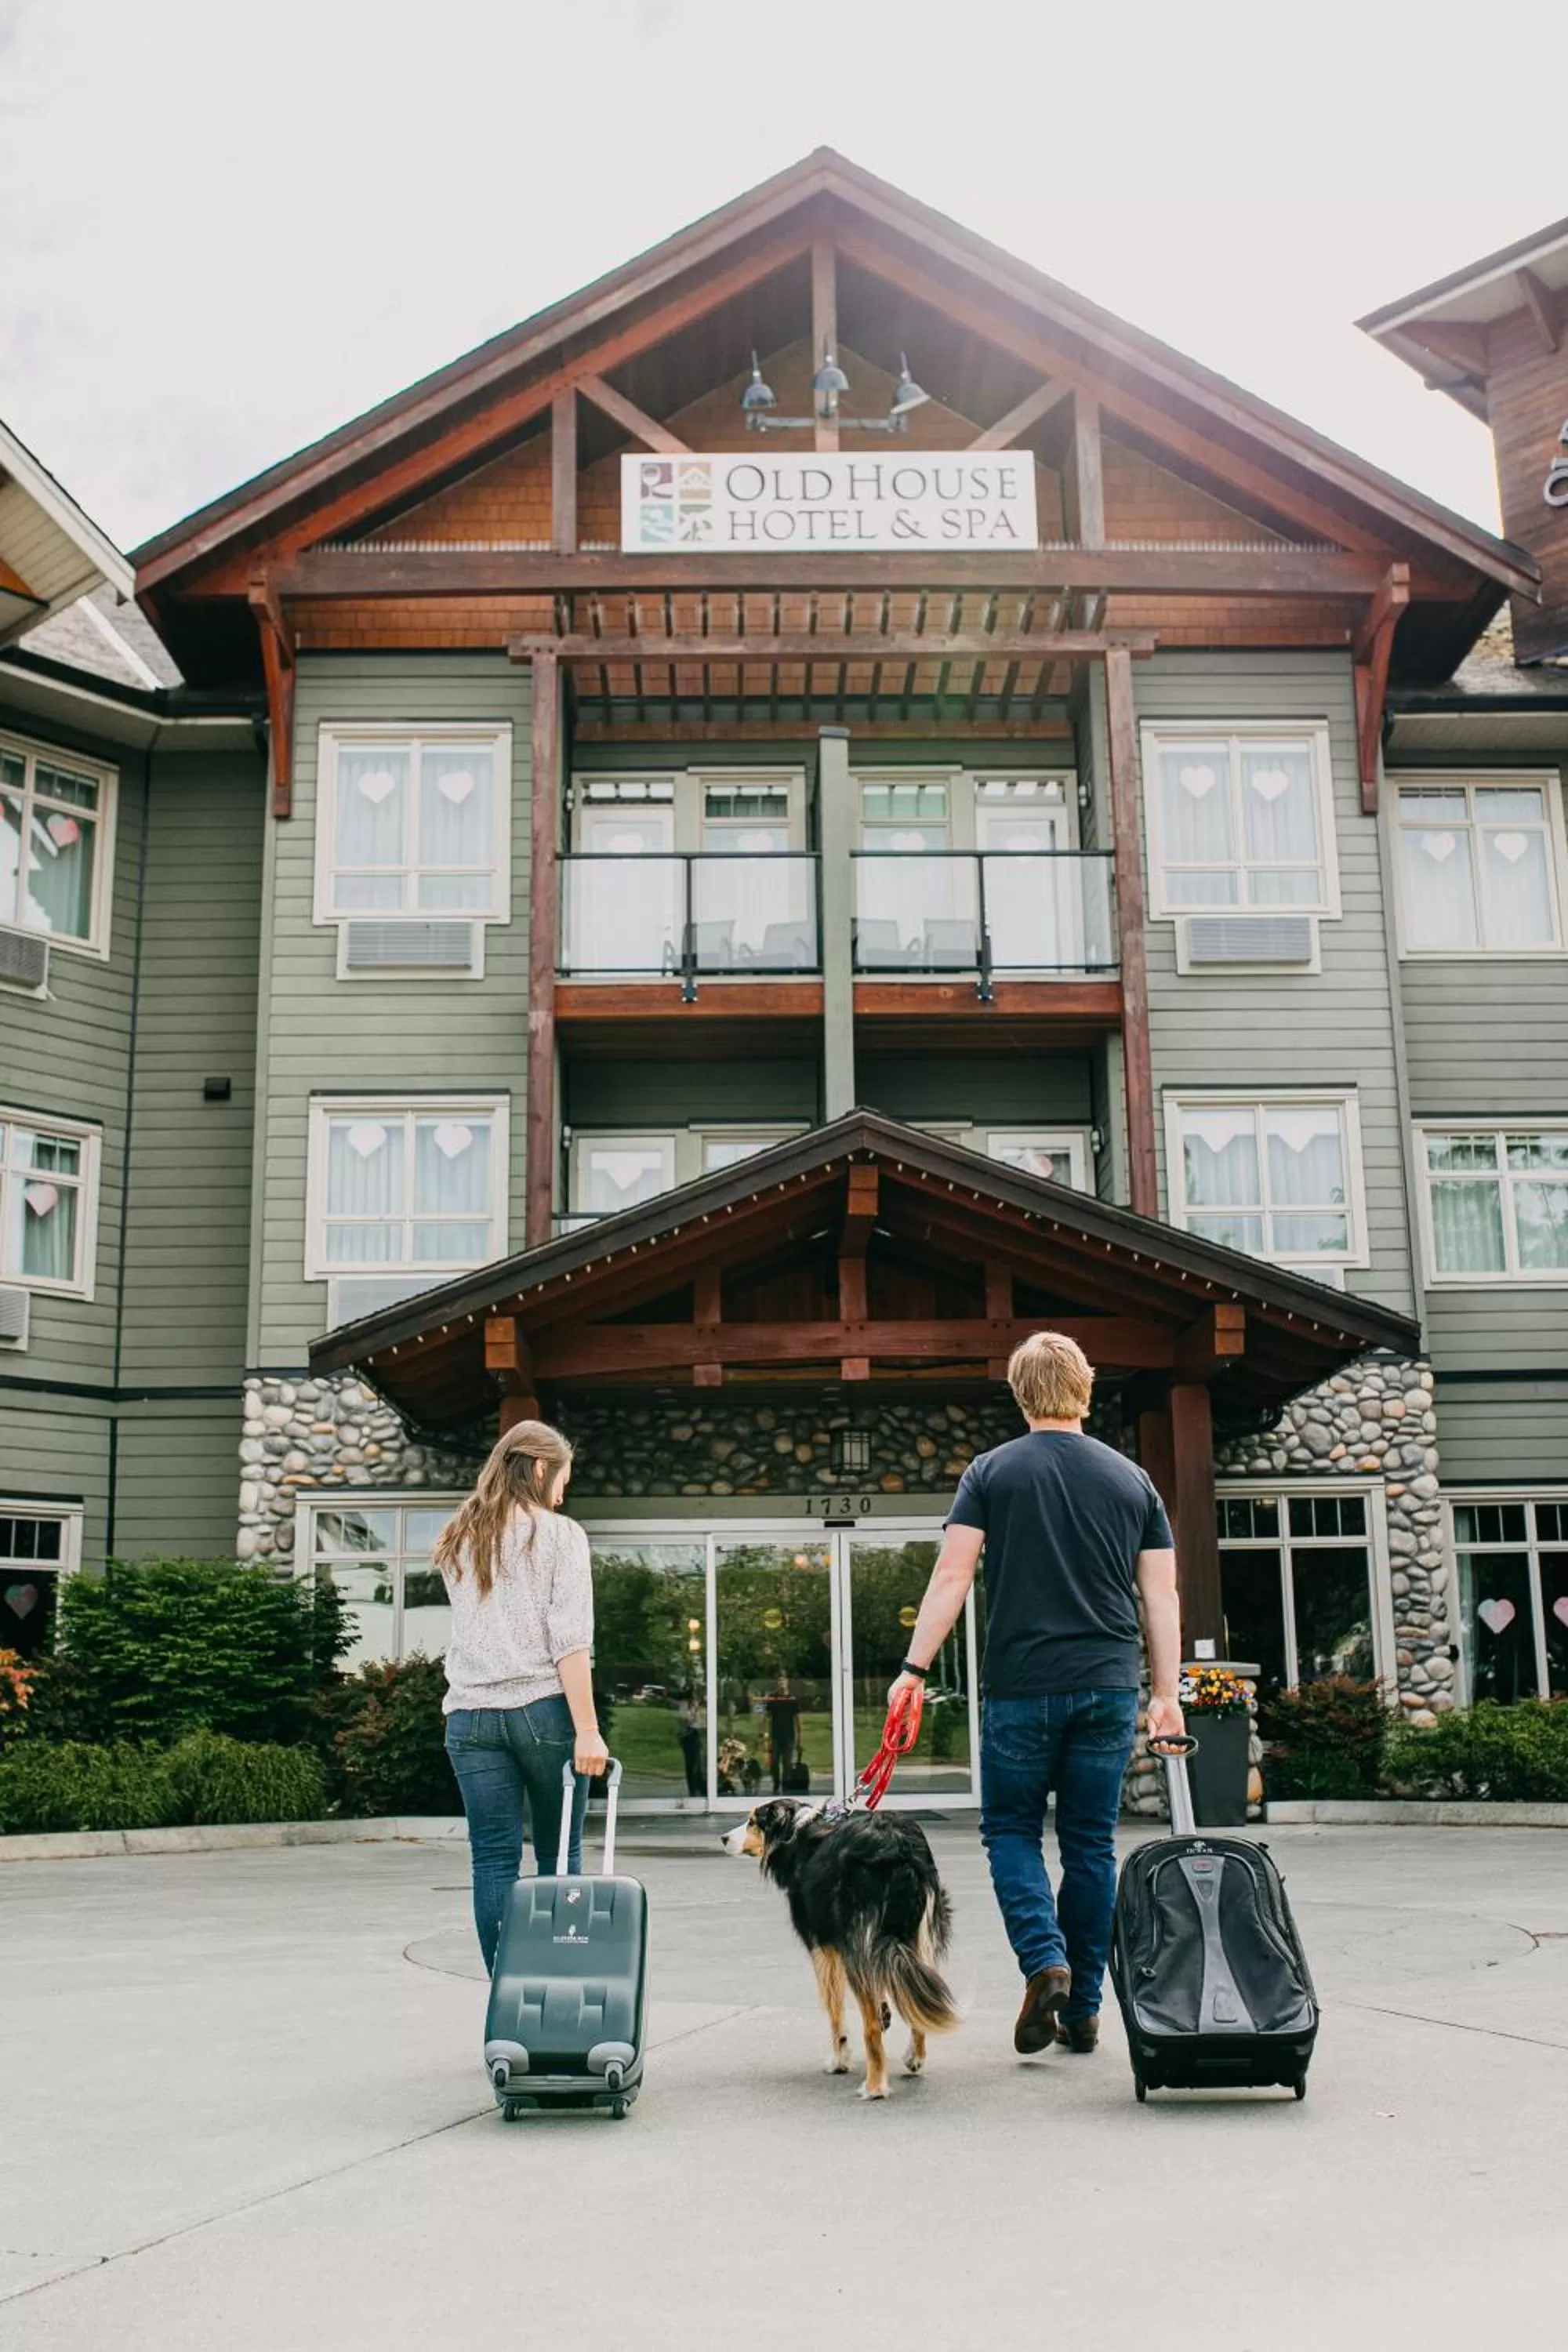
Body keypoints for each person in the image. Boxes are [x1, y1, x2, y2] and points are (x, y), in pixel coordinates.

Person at [887, 1331, 1184, 2059]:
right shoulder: (1132, 1480)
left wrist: (914, 1670)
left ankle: (1044, 1961)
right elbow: (1162, 1594)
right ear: (1085, 1386)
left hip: (1021, 1686)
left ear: (1020, 1393)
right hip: (1109, 1685)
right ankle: (1082, 2009)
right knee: (1090, 1845)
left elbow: (952, 1577)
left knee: (1012, 1832)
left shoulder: (992, 1471)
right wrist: (1167, 1693)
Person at [434, 1419, 610, 1971]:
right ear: (539, 1467)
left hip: (469, 1717)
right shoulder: (561, 1536)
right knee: (560, 1858)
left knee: (492, 1862)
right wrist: (588, 1729)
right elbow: (570, 1642)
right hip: (542, 1711)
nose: (564, 1490)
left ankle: (509, 1997)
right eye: (563, 1477)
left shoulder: (459, 1536)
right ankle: (556, 1997)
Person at [762, 1670, 803, 1792]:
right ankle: (776, 1783)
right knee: (774, 1761)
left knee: (787, 1763)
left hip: (789, 1735)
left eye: (783, 1680)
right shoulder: (773, 1698)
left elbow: (797, 1720)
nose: (781, 1683)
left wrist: (800, 1738)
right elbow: (767, 1717)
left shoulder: (792, 1699)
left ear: (787, 1682)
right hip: (775, 1735)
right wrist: (765, 1735)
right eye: (779, 1680)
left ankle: (785, 1786)